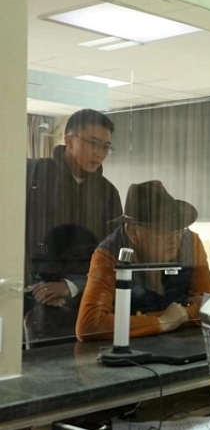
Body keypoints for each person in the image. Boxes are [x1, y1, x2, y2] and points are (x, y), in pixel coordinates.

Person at [25, 109, 123, 336]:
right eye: (93, 143)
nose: (100, 153)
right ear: (69, 140)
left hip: (85, 300)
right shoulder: (34, 175)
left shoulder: (107, 192)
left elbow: (111, 255)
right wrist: (37, 287)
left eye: (106, 147)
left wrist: (72, 286)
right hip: (28, 294)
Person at [76, 181, 210, 341]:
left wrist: (169, 317)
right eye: (163, 230)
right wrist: (164, 321)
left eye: (178, 229)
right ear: (133, 233)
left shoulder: (191, 242)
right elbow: (90, 325)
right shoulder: (108, 254)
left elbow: (209, 309)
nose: (175, 239)